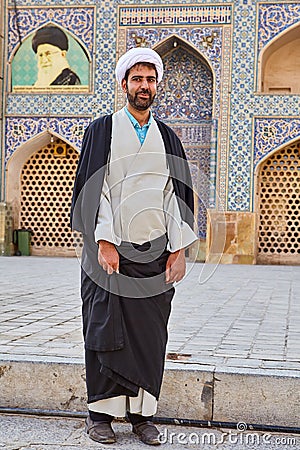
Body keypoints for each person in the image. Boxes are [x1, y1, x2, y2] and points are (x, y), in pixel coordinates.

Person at [71, 47, 197, 445]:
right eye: (137, 79)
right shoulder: (102, 130)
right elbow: (96, 189)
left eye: (150, 79)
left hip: (153, 255)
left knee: (149, 334)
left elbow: (176, 196)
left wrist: (178, 248)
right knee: (104, 328)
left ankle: (143, 416)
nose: (144, 86)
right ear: (124, 84)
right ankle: (101, 414)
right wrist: (104, 242)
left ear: (157, 86)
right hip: (109, 254)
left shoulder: (168, 137)